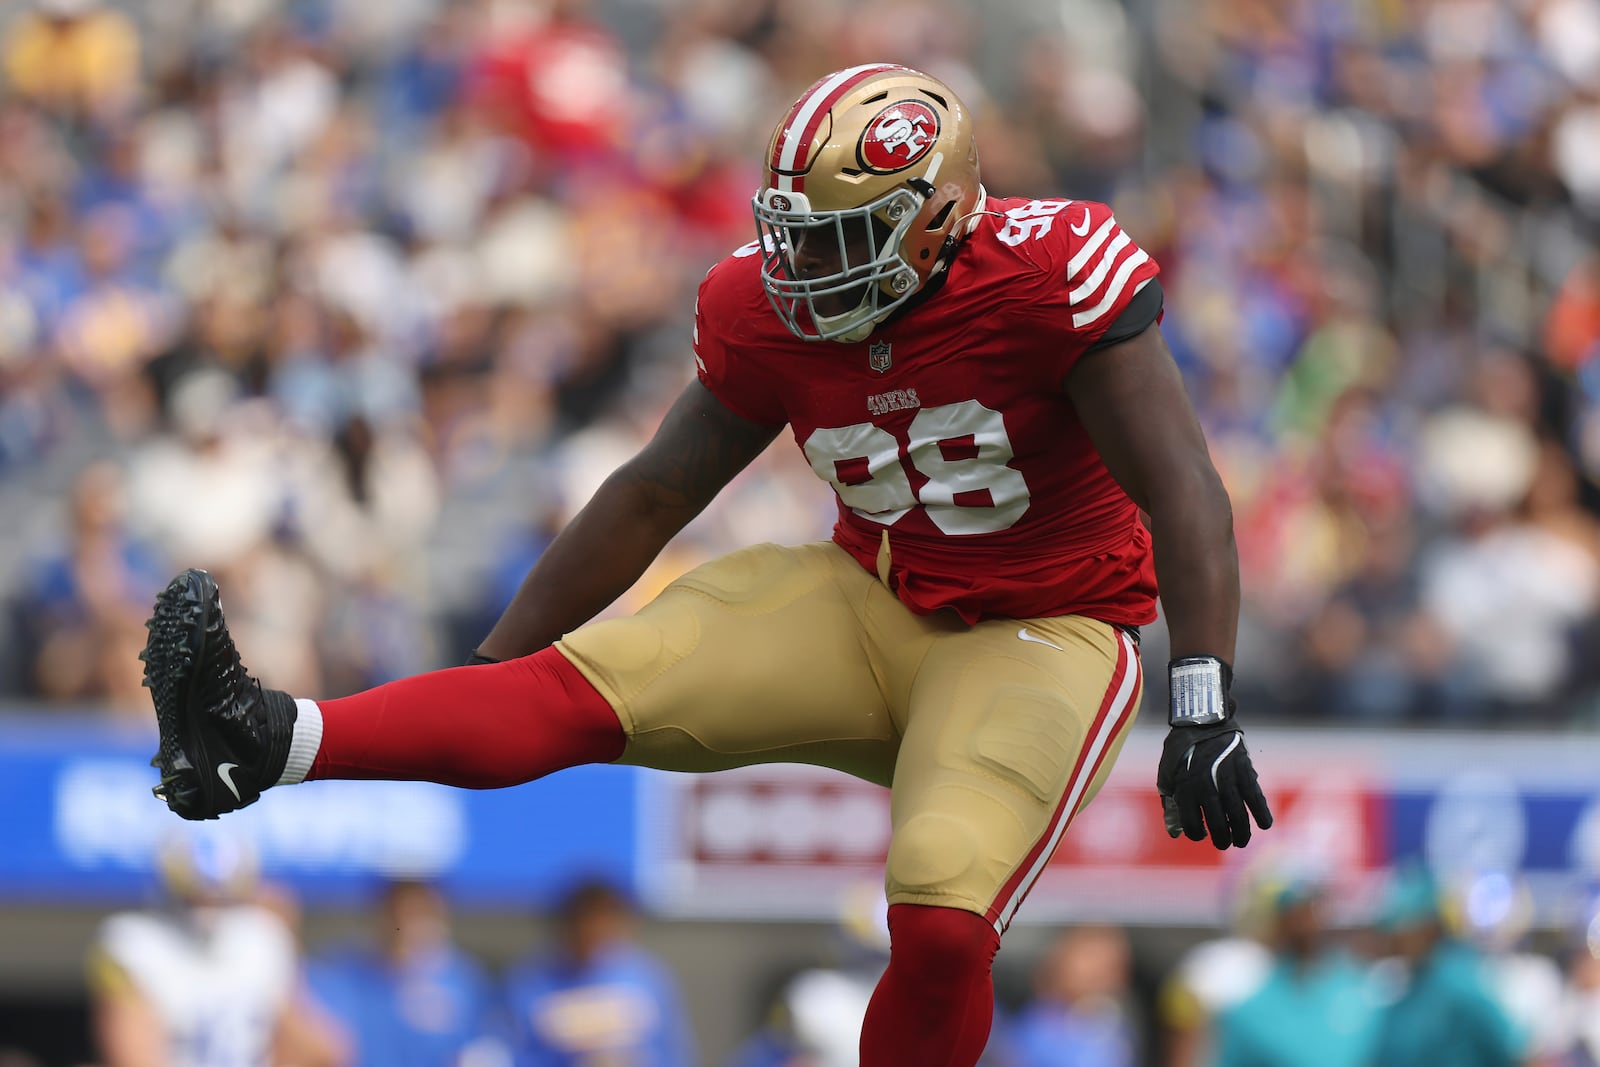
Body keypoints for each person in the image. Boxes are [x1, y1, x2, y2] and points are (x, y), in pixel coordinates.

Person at [140, 63, 1273, 1065]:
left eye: (839, 234)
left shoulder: (1047, 271)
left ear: (935, 220)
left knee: (936, 914)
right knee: (576, 690)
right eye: (793, 231)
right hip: (867, 593)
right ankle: (264, 738)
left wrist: (1202, 692)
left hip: (1046, 627)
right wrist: (495, 671)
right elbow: (656, 489)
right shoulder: (758, 306)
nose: (801, 265)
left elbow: (1183, 488)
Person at [87, 833, 344, 1067]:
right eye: (196, 899)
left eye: (219, 900)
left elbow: (322, 1053)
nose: (207, 913)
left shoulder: (262, 938)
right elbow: (134, 1056)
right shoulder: (133, 946)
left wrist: (288, 950)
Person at [305, 880, 501, 1067]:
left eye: (420, 913)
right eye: (399, 913)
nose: (407, 924)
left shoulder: (463, 982)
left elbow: (481, 1047)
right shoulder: (341, 975)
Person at [503, 878, 695, 1065]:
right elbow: (514, 1052)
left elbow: (672, 1052)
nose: (590, 930)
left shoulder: (645, 978)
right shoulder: (531, 980)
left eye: (600, 920)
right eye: (582, 920)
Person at [1210, 877, 1378, 1067]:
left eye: (1315, 907)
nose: (1309, 921)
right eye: (1297, 912)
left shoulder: (1366, 991)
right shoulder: (1247, 1006)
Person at [1368, 865, 1525, 1067]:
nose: (1394, 938)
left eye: (1403, 928)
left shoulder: (1461, 983)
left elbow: (1519, 1052)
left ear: (1430, 927)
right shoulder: (1398, 987)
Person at [1004, 925, 1139, 1067]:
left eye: (1111, 965)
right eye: (1089, 957)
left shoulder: (1118, 1028)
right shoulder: (1037, 1025)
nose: (1097, 972)